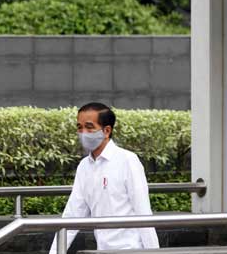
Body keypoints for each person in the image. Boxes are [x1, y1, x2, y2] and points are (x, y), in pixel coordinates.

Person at [49, 102, 159, 253]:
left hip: (131, 249)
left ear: (106, 130)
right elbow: (73, 213)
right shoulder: (84, 166)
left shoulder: (127, 160)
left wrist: (155, 251)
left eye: (89, 127)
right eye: (79, 127)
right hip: (102, 249)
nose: (83, 133)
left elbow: (143, 211)